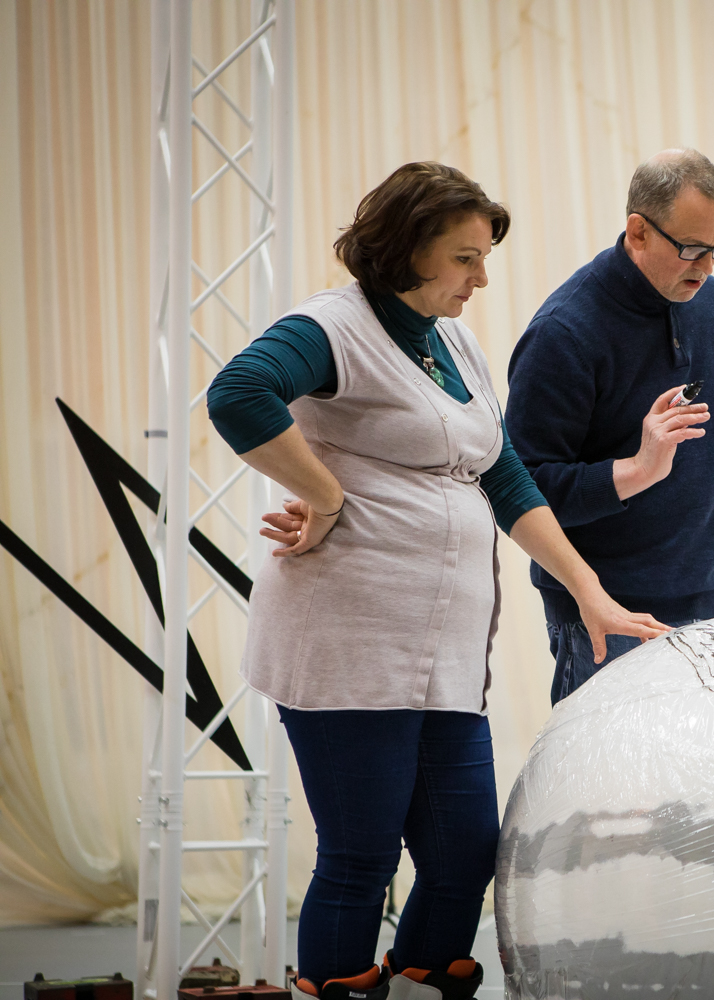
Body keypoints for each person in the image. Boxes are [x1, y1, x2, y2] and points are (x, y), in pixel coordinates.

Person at [206, 162, 668, 1000]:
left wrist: (589, 590)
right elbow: (239, 394)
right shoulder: (333, 329)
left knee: (465, 857)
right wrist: (323, 492)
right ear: (407, 248)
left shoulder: (453, 339)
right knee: (362, 855)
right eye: (465, 258)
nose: (482, 278)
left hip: (443, 659)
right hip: (348, 648)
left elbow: (507, 478)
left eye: (484, 256)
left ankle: (420, 985)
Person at [505, 149, 714, 705]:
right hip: (607, 615)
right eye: (691, 249)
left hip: (711, 602)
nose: (705, 267)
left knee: (706, 791)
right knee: (619, 795)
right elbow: (520, 488)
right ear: (639, 232)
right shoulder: (564, 333)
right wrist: (636, 470)